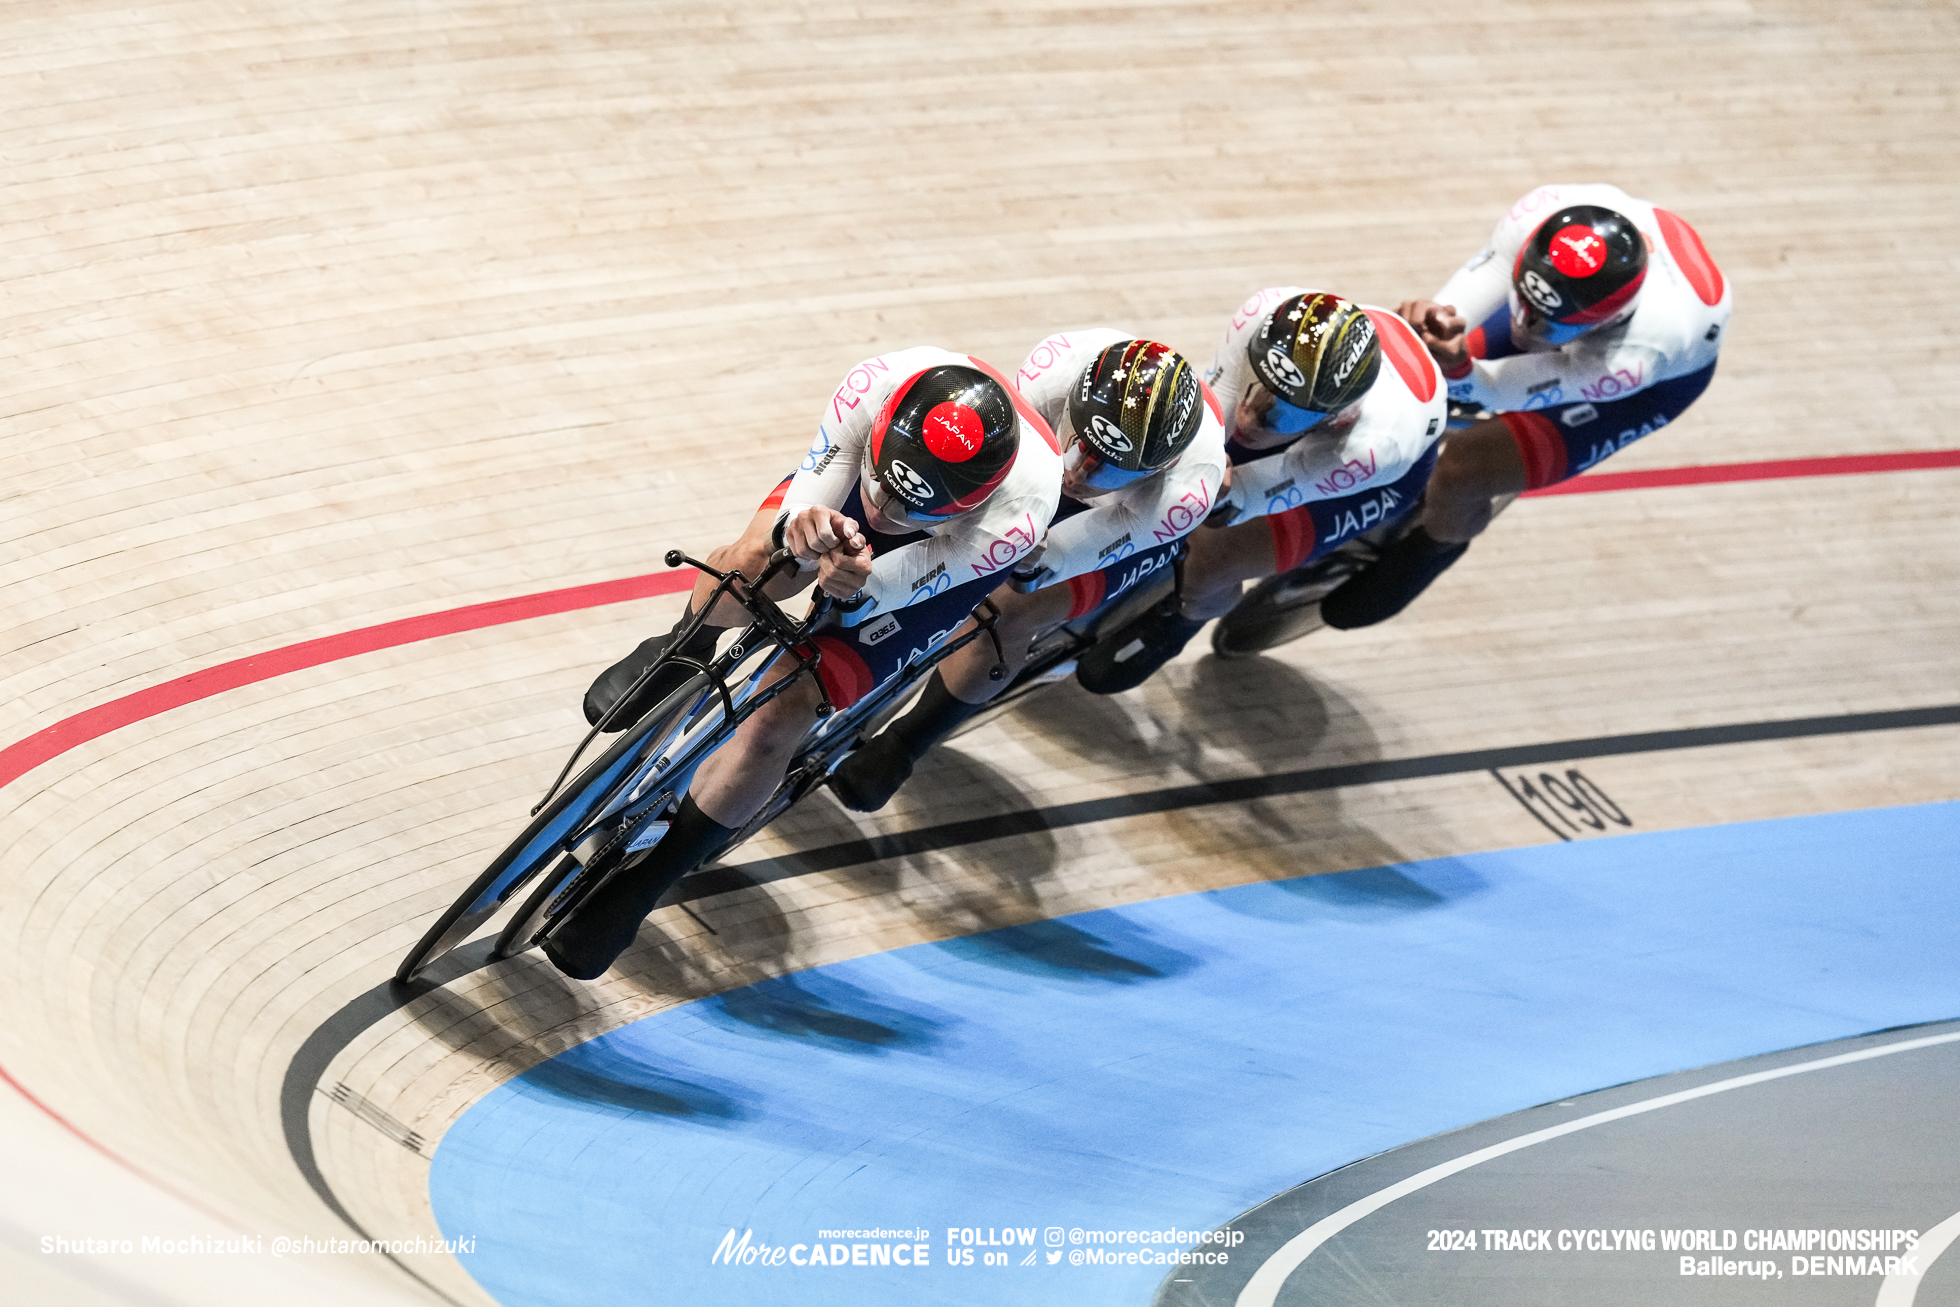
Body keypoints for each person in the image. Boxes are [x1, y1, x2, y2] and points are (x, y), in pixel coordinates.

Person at [548, 348, 1062, 979]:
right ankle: (686, 643)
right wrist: (803, 532)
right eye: (885, 492)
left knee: (783, 711)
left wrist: (852, 574)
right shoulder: (873, 388)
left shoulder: (1011, 521)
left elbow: (882, 587)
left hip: (938, 558)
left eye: (909, 509)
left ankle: (647, 884)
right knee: (755, 563)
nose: (886, 514)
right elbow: (793, 531)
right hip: (862, 476)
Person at [827, 331, 1227, 811]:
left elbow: (1046, 558)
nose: (1079, 474)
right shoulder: (1050, 371)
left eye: (1108, 468)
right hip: (1045, 474)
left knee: (1012, 610)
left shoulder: (1180, 496)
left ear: (1158, 469)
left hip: (1128, 521)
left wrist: (1030, 560)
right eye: (1077, 446)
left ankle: (909, 742)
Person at [1304, 183, 1732, 630]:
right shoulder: (1539, 214)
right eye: (1527, 308)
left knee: (1464, 472)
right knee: (1422, 370)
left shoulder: (1635, 356)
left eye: (1546, 324)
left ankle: (1435, 547)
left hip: (1648, 386)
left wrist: (1461, 371)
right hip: (1570, 303)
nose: (1528, 331)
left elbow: (1491, 390)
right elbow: (1447, 317)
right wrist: (1434, 334)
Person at [1073, 289, 1448, 691]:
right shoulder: (1262, 312)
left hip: (1365, 473)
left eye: (1283, 412)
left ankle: (1184, 618)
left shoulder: (1371, 448)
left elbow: (1244, 497)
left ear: (1337, 419)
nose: (1254, 415)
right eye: (1257, 384)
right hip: (1318, 405)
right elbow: (1214, 418)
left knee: (1217, 551)